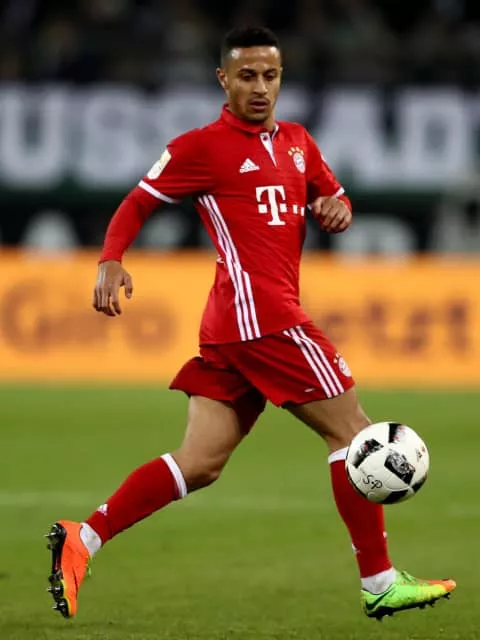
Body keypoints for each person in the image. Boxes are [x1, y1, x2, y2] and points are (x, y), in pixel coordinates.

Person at [45, 26, 455, 621]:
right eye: (247, 76)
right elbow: (138, 201)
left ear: (281, 79)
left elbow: (335, 197)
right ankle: (380, 582)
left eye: (270, 75)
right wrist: (110, 259)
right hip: (263, 316)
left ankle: (83, 538)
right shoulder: (200, 148)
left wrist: (337, 209)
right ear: (223, 80)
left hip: (232, 326)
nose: (260, 87)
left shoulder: (297, 142)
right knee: (354, 435)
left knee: (200, 462)